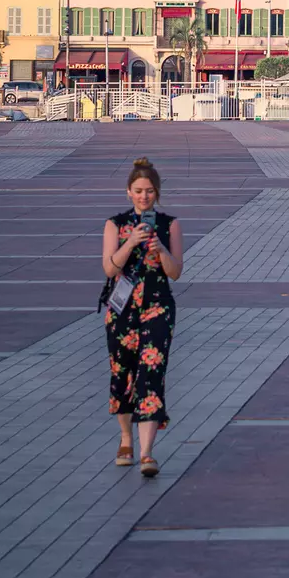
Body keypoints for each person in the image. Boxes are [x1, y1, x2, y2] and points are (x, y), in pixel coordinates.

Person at [101, 157, 183, 476]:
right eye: (138, 191)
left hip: (158, 305)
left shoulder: (170, 224)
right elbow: (109, 268)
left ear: (157, 193)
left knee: (151, 373)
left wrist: (161, 249)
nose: (143, 196)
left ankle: (148, 451)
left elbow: (176, 272)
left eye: (149, 191)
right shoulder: (115, 224)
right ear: (128, 192)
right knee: (122, 374)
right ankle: (126, 439)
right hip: (122, 307)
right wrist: (130, 243)